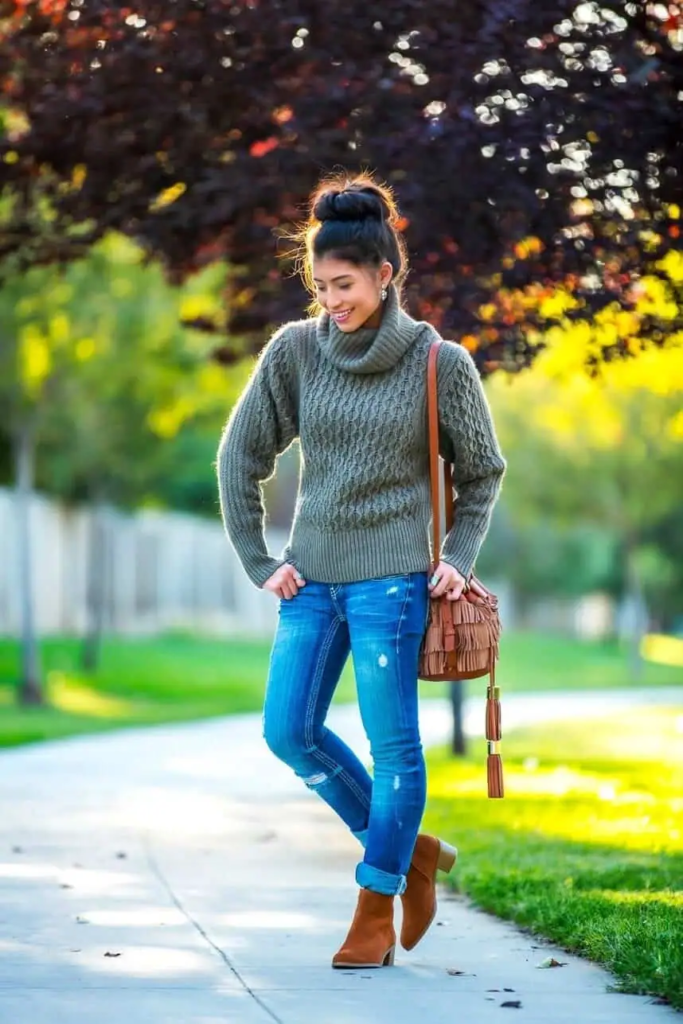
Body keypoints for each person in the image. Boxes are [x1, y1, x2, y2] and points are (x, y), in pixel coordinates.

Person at [216, 171, 506, 969]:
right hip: (310, 581)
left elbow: (481, 474)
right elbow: (240, 455)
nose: (329, 300)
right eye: (319, 285)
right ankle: (409, 851)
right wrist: (257, 559)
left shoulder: (438, 363)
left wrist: (455, 560)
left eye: (343, 284)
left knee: (395, 750)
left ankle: (375, 903)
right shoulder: (296, 352)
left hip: (391, 586)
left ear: (385, 274)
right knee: (288, 731)